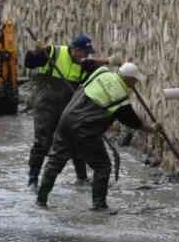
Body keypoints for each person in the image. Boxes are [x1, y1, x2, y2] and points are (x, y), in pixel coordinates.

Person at [35, 62, 155, 212]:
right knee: (102, 166)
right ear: (129, 79)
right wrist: (152, 128)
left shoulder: (101, 72)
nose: (135, 83)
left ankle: (41, 200)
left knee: (55, 161)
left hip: (66, 119)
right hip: (85, 130)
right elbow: (131, 120)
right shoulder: (120, 95)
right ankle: (99, 206)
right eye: (135, 81)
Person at [22, 33, 101, 188]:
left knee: (76, 140)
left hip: (67, 108)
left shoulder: (83, 65)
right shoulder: (53, 52)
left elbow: (88, 86)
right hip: (45, 105)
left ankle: (82, 178)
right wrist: (36, 52)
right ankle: (33, 179)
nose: (86, 56)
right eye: (85, 52)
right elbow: (29, 63)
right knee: (42, 142)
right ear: (75, 50)